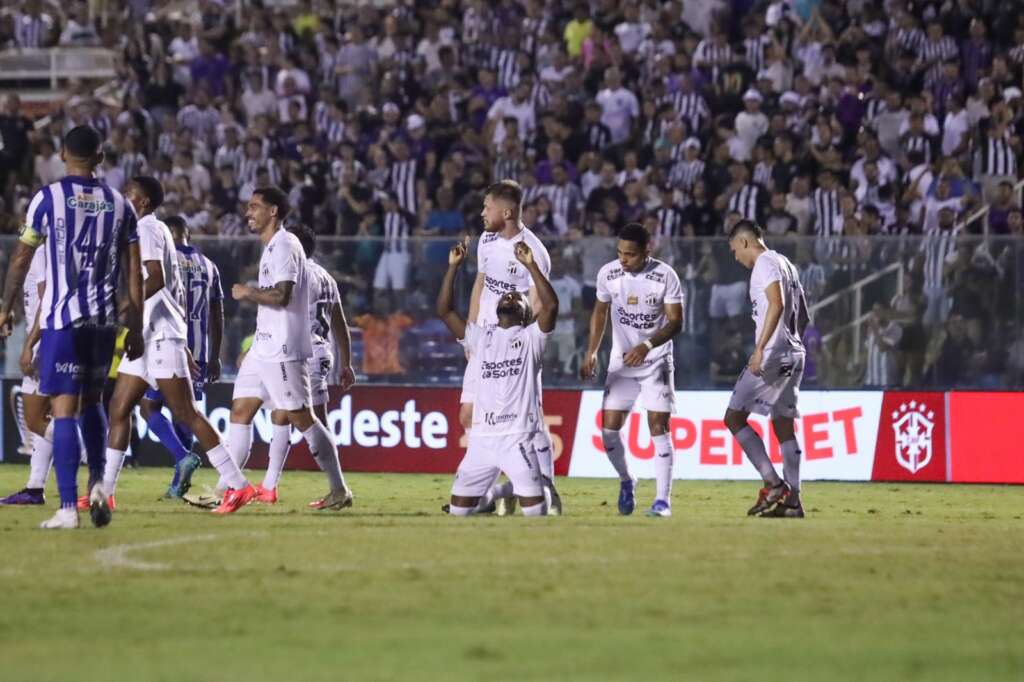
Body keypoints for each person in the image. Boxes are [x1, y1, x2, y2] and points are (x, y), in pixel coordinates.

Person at [0, 125, 144, 530]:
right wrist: (136, 325)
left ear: (64, 154)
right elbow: (135, 273)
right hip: (103, 323)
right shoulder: (121, 205)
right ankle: (98, 485)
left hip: (63, 320)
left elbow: (21, 259)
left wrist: (6, 307)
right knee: (93, 403)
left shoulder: (47, 200)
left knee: (63, 409)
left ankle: (67, 508)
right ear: (100, 158)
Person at [98, 176, 255, 519]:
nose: (124, 198)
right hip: (147, 333)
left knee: (186, 413)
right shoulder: (140, 229)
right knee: (119, 408)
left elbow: (156, 277)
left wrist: (126, 303)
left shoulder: (150, 229)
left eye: (129, 195)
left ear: (142, 202)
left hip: (163, 335)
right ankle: (104, 494)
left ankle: (238, 484)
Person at [221, 187, 352, 511]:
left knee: (299, 416)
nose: (248, 213)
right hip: (267, 347)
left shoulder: (285, 247)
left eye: (255, 207)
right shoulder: (275, 250)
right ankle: (231, 488)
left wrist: (247, 292)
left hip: (286, 349)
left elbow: (282, 297)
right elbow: (337, 322)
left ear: (274, 211)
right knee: (241, 410)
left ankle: (338, 488)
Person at [437, 237, 557, 517]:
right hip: (481, 442)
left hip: (516, 440)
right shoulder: (480, 337)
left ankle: (541, 490)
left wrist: (531, 266)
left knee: (536, 513)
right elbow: (444, 310)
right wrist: (453, 268)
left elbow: (550, 307)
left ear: (527, 315)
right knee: (457, 514)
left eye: (517, 297)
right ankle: (502, 492)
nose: (510, 296)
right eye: (507, 295)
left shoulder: (532, 340)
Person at [463, 180, 562, 513]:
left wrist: (518, 343)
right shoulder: (487, 241)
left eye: (487, 207)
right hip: (484, 343)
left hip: (515, 348)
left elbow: (538, 303)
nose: (482, 213)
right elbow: (480, 283)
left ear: (505, 212)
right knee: (468, 414)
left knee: (529, 420)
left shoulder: (533, 251)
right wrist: (472, 329)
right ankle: (486, 494)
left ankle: (546, 485)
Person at [580, 223, 684, 517]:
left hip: (657, 361)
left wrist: (647, 346)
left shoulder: (665, 276)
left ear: (647, 250)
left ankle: (663, 502)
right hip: (622, 364)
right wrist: (591, 352)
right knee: (609, 431)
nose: (623, 259)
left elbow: (676, 322)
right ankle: (627, 480)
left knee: (658, 428)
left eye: (630, 254)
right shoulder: (608, 274)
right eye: (620, 252)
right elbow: (599, 313)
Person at [256, 224, 356, 503]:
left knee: (288, 415)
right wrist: (346, 364)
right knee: (314, 421)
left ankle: (276, 486)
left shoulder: (297, 276)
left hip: (301, 351)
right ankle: (332, 487)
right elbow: (340, 324)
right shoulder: (326, 277)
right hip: (323, 352)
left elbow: (281, 313)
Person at [722, 220, 809, 519]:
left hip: (773, 353)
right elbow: (804, 316)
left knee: (733, 417)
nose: (736, 258)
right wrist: (791, 342)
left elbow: (777, 302)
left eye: (735, 250)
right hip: (795, 352)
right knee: (784, 424)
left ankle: (773, 484)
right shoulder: (788, 265)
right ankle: (793, 502)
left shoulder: (765, 263)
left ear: (745, 242)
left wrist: (761, 349)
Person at [138, 215, 223, 499]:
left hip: (167, 342)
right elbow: (217, 312)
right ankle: (178, 483)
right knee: (185, 415)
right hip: (199, 351)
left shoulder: (164, 260)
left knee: (149, 407)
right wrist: (215, 355)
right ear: (188, 234)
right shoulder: (209, 266)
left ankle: (182, 459)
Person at [0, 249, 52, 505]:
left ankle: (91, 451)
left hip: (44, 343)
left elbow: (46, 302)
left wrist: (30, 345)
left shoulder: (41, 253)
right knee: (46, 418)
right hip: (56, 339)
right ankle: (34, 488)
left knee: (34, 420)